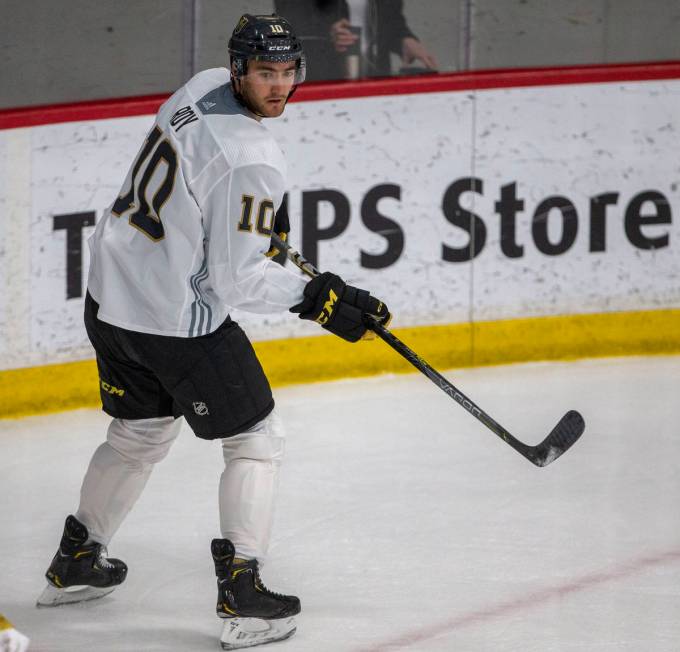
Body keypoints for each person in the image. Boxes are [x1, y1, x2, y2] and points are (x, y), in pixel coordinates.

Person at [36, 13, 390, 651]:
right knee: (257, 437)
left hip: (112, 296)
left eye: (287, 73)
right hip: (175, 320)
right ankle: (242, 593)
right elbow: (238, 281)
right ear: (239, 70)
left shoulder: (199, 86)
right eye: (264, 73)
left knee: (139, 433)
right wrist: (320, 299)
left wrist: (253, 227)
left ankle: (77, 560)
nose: (278, 87)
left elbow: (199, 192)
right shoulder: (252, 157)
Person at [274, 0, 438, 81]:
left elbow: (392, 20)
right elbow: (289, 19)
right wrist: (325, 33)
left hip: (375, 80)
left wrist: (404, 40)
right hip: (319, 83)